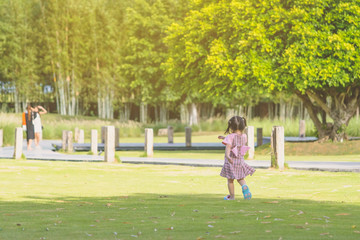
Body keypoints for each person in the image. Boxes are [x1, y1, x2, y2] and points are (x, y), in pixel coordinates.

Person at [218, 116, 255, 200]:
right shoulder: (244, 136)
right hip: (240, 160)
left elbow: (229, 147)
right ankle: (244, 186)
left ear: (231, 127)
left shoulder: (230, 137)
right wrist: (224, 138)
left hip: (231, 161)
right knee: (240, 178)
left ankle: (232, 197)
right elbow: (236, 142)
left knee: (230, 180)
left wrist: (227, 156)